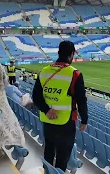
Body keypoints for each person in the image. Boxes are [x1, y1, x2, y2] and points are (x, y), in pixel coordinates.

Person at [32, 41, 88, 172]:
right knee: (62, 157)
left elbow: (35, 96)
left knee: (49, 151)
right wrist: (84, 120)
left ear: (58, 53)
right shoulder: (75, 74)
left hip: (48, 120)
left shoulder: (44, 71)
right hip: (66, 122)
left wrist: (46, 110)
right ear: (71, 54)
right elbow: (81, 100)